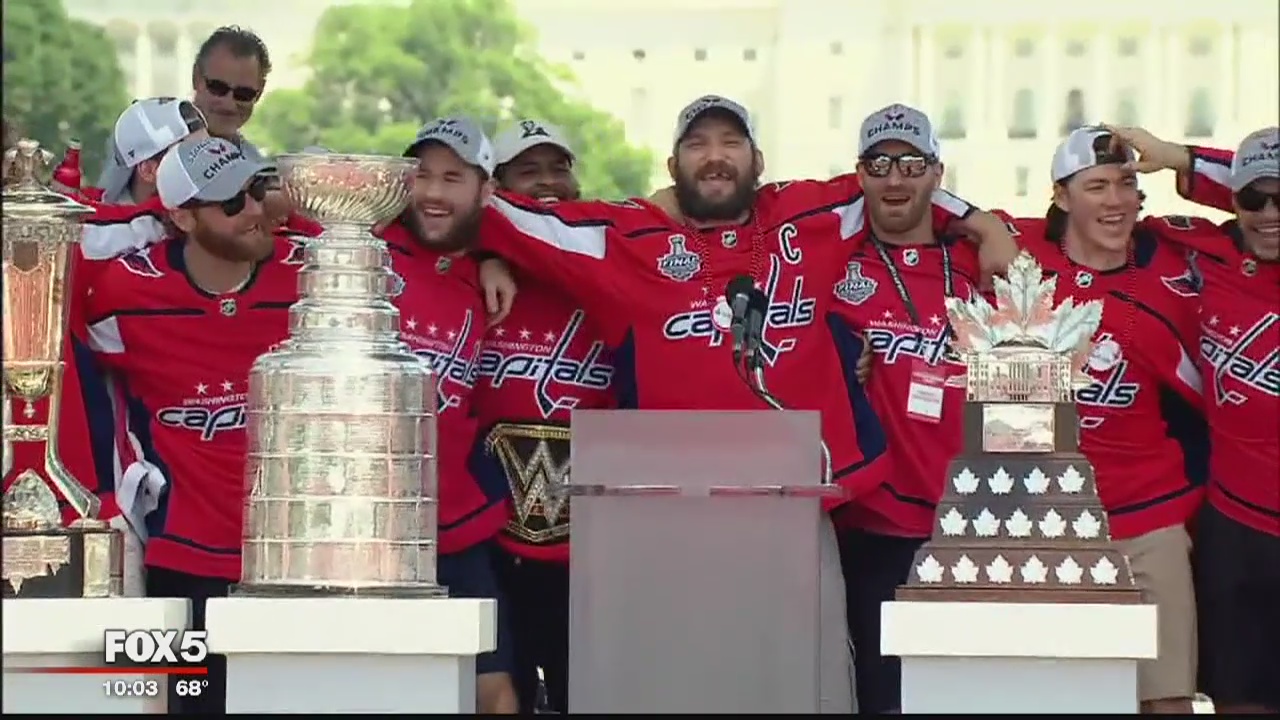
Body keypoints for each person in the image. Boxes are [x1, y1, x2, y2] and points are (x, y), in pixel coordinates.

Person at [992, 126, 1211, 715]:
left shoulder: (1174, 269)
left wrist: (1182, 158)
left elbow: (1257, 217)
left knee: (1167, 699)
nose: (1115, 201)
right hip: (1049, 521)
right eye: (1096, 186)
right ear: (1062, 196)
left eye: (1125, 185)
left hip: (1150, 517)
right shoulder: (1020, 258)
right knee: (1065, 700)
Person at [82, 136, 290, 714]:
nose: (254, 210)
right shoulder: (124, 290)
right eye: (232, 202)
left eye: (257, 190)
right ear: (180, 217)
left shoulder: (309, 274)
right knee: (188, 705)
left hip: (295, 557)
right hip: (182, 556)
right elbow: (45, 273)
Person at [827, 104, 1018, 714]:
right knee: (885, 698)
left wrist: (982, 222)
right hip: (875, 525)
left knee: (971, 698)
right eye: (879, 165)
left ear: (938, 172)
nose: (895, 179)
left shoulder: (979, 259)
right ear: (859, 174)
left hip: (975, 523)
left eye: (911, 165)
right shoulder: (834, 262)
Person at [1104, 124, 1279, 714]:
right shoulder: (1202, 253)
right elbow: (1099, 227)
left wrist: (1182, 156)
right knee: (1237, 699)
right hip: (1235, 521)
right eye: (1253, 199)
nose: (1269, 215)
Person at [474, 118, 617, 714]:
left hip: (590, 550)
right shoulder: (470, 280)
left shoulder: (609, 275)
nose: (548, 182)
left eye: (560, 168)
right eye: (528, 171)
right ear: (496, 188)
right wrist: (487, 253)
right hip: (490, 544)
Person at [390, 117, 521, 714]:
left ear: (485, 190)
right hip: (365, 527)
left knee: (494, 692)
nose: (433, 193)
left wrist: (492, 255)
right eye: (422, 175)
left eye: (453, 178)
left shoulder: (501, 270)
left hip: (454, 521)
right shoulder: (366, 245)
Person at [190, 25, 270, 160]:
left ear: (259, 92)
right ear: (196, 78)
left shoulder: (257, 164)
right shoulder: (156, 151)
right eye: (217, 87)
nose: (229, 104)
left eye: (243, 94)